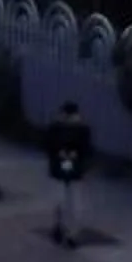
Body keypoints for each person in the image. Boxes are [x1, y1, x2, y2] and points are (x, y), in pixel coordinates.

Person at [43, 100, 93, 247]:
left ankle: (59, 226)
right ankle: (73, 234)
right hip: (76, 167)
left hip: (59, 166)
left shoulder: (56, 128)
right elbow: (86, 151)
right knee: (75, 199)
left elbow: (49, 147)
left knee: (60, 197)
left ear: (64, 113)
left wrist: (61, 156)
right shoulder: (83, 129)